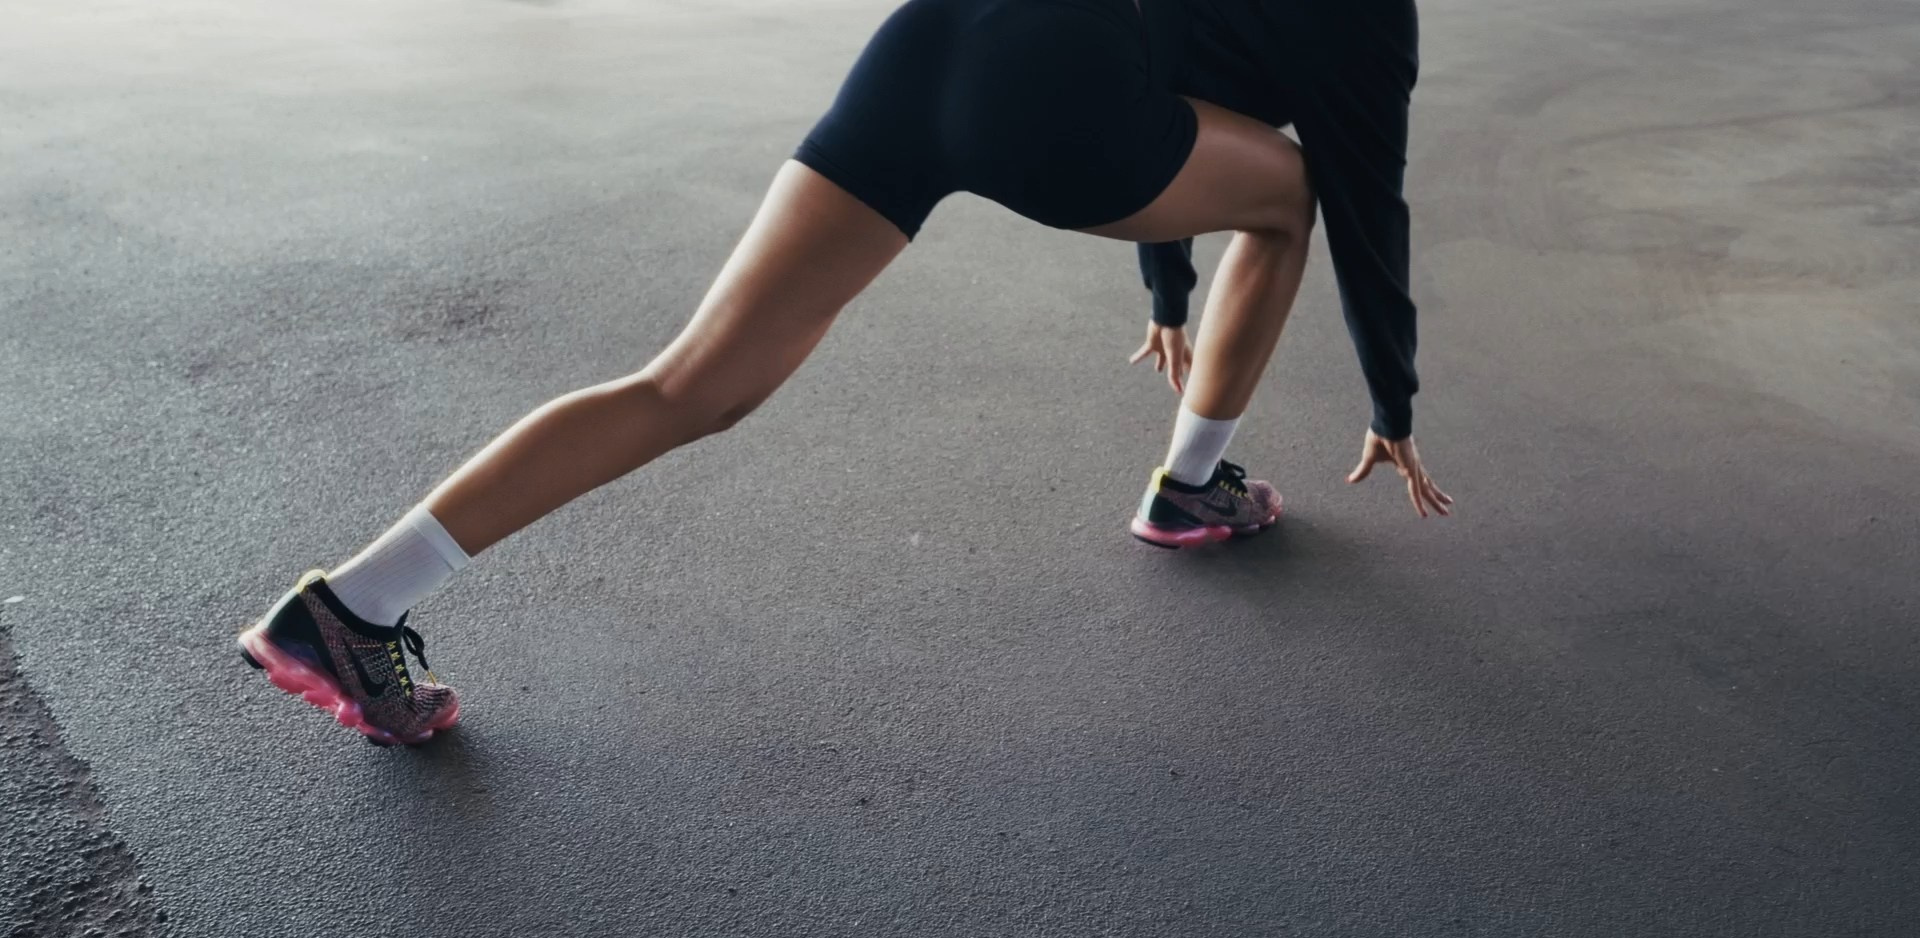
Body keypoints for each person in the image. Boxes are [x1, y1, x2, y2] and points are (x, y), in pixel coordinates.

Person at [238, 0, 1452, 746]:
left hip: (935, 37)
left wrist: (1168, 290)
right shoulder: (1370, 16)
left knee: (696, 384)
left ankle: (354, 604)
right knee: (1291, 201)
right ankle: (1191, 485)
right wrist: (1390, 400)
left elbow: (1169, 51)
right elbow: (1361, 192)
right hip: (1061, 91)